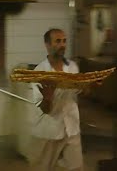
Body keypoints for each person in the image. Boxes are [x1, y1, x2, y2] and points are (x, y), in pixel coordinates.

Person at [28, 28, 83, 171]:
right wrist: (48, 97)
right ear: (47, 44)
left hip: (71, 126)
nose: (62, 44)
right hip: (48, 129)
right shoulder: (40, 73)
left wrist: (90, 86)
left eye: (64, 41)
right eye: (58, 41)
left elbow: (77, 92)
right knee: (41, 167)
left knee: (76, 167)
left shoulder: (72, 67)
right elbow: (44, 109)